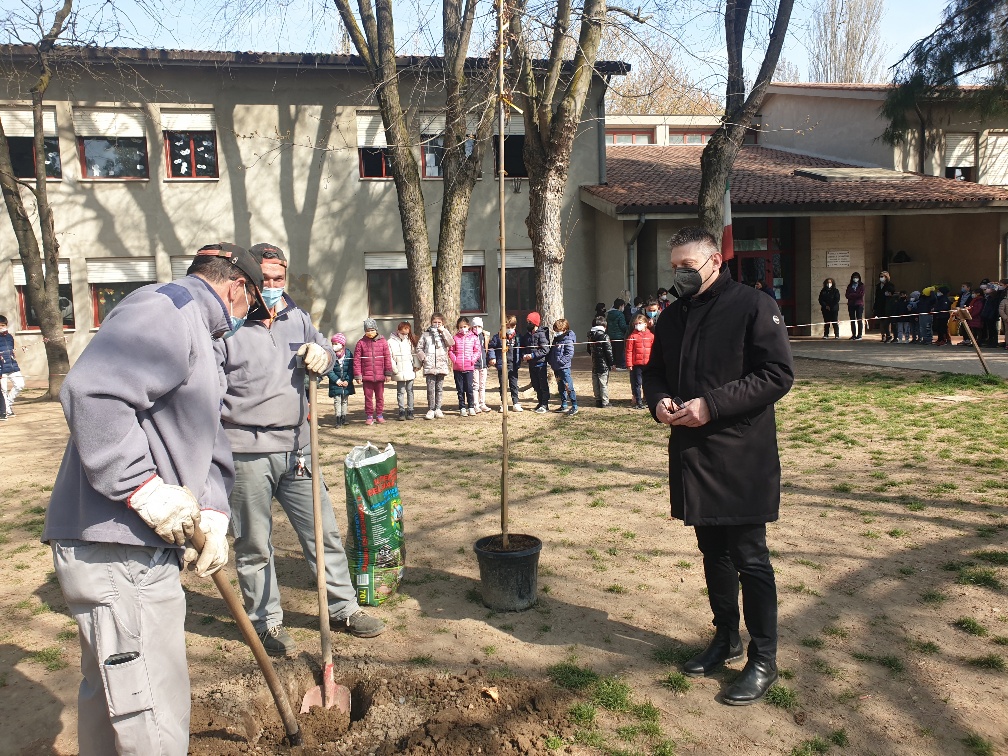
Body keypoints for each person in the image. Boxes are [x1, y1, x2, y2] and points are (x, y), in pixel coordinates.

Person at [43, 242, 268, 754]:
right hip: (118, 547)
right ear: (238, 287)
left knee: (114, 702)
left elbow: (203, 435)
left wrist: (213, 509)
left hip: (130, 549)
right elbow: (94, 392)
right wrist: (141, 487)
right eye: (252, 304)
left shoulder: (204, 337)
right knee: (150, 710)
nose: (248, 317)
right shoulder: (167, 309)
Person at [643, 227, 794, 706]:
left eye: (687, 267)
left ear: (714, 262)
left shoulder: (753, 305)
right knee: (713, 550)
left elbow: (777, 374)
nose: (679, 275)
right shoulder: (672, 316)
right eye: (674, 268)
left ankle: (764, 658)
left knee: (750, 557)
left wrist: (712, 404)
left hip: (741, 454)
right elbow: (654, 372)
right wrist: (659, 401)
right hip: (692, 454)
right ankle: (726, 637)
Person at [217, 244, 385, 659]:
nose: (272, 286)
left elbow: (326, 349)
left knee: (323, 533)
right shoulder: (227, 326)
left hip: (299, 449)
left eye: (279, 278)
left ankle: (344, 609)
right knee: (254, 544)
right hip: (246, 451)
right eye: (265, 280)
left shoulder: (298, 317)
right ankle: (265, 622)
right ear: (248, 281)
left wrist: (323, 355)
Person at [354, 318, 394, 425]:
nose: (370, 332)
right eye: (368, 330)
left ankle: (379, 415)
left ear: (376, 329)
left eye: (372, 330)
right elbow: (357, 360)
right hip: (367, 376)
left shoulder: (383, 342)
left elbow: (387, 358)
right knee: (368, 398)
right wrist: (358, 375)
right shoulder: (361, 343)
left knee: (380, 397)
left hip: (380, 376)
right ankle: (369, 416)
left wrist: (388, 373)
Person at [416, 313, 453, 420]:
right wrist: (424, 358)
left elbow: (451, 343)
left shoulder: (444, 333)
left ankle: (438, 408)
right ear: (431, 322)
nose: (437, 324)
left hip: (441, 365)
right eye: (434, 322)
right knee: (430, 389)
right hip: (430, 365)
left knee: (439, 388)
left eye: (439, 322)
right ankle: (431, 409)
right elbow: (419, 348)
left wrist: (443, 331)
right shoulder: (426, 334)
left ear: (442, 323)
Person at [489, 316, 522, 411]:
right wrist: (492, 357)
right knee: (503, 385)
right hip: (502, 364)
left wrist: (522, 357)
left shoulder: (517, 337)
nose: (510, 329)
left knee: (514, 384)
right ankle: (504, 404)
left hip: (513, 364)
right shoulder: (497, 337)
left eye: (512, 327)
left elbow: (521, 348)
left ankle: (516, 403)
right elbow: (491, 347)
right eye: (507, 327)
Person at [449, 316, 480, 416]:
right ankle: (462, 407)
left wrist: (472, 360)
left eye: (464, 326)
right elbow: (451, 351)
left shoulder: (474, 338)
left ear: (468, 326)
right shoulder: (455, 338)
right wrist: (455, 360)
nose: (463, 329)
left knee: (469, 389)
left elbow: (477, 350)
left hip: (469, 367)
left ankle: (471, 406)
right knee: (460, 389)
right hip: (457, 368)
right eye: (460, 327)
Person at [520, 311, 551, 413]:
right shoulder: (527, 335)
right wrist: (524, 355)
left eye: (530, 322)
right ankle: (540, 402)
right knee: (535, 384)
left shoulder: (542, 334)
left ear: (535, 323)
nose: (528, 324)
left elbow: (545, 349)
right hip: (531, 364)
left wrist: (533, 355)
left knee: (543, 385)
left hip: (540, 363)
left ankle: (545, 404)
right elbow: (524, 347)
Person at [388, 320, 418, 420]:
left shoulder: (410, 341)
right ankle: (401, 411)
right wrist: (395, 369)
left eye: (406, 333)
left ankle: (410, 410)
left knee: (410, 391)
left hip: (409, 369)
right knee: (400, 391)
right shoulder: (390, 342)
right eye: (403, 333)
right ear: (398, 330)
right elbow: (390, 357)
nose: (404, 335)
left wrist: (416, 365)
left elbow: (414, 354)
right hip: (398, 370)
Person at [548, 318, 577, 415]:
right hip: (556, 368)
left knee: (568, 386)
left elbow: (569, 353)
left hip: (564, 368)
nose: (556, 333)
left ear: (564, 330)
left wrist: (561, 362)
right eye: (555, 330)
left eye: (558, 330)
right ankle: (564, 404)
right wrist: (551, 361)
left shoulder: (568, 339)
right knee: (560, 386)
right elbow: (552, 351)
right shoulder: (556, 339)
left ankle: (574, 405)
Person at [625, 312, 654, 410]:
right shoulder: (632, 336)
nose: (638, 325)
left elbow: (654, 350)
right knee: (638, 383)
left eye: (640, 323)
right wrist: (629, 364)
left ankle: (648, 400)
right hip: (637, 364)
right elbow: (628, 351)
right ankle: (638, 401)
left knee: (648, 383)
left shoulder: (651, 336)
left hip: (648, 364)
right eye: (636, 324)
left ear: (645, 324)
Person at [326, 333, 355, 426]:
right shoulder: (330, 355)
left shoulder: (348, 354)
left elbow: (351, 369)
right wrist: (336, 380)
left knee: (345, 400)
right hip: (335, 383)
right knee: (337, 400)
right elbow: (329, 370)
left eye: (336, 343)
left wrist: (347, 380)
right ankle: (338, 419)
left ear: (342, 344)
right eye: (332, 343)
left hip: (346, 383)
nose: (334, 346)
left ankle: (344, 417)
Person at [0, 314, 24, 417]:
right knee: (3, 390)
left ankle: (8, 404)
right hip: (1, 368)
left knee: (20, 385)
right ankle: (6, 410)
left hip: (12, 365)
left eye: (3, 325)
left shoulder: (9, 337)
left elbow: (12, 350)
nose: (1, 327)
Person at [587, 315, 614, 407]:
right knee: (603, 383)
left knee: (595, 382)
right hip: (603, 364)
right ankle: (605, 402)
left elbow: (588, 349)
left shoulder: (590, 336)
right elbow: (609, 351)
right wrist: (611, 363)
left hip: (595, 363)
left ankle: (598, 400)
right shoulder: (605, 336)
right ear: (604, 326)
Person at [472, 316, 492, 412]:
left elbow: (488, 348)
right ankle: (475, 404)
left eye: (479, 326)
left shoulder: (484, 336)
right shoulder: (470, 336)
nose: (477, 328)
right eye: (475, 326)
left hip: (483, 364)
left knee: (482, 385)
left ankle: (482, 403)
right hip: (474, 365)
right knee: (475, 385)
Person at [607, 299, 629, 369]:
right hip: (619, 336)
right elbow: (622, 326)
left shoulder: (609, 314)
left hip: (611, 336)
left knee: (613, 351)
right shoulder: (620, 314)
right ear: (620, 306)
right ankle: (621, 365)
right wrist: (629, 327)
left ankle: (614, 364)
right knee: (620, 351)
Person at [875, 271, 895, 342]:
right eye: (880, 276)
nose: (881, 278)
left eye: (882, 276)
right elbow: (876, 296)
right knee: (881, 321)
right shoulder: (878, 286)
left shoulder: (890, 285)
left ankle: (888, 335)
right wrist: (875, 306)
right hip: (880, 305)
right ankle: (883, 335)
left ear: (886, 277)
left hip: (887, 305)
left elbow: (892, 291)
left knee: (887, 321)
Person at [845, 272, 865, 340]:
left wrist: (852, 294)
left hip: (859, 304)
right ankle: (853, 334)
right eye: (854, 277)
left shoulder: (861, 285)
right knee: (852, 320)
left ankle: (859, 335)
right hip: (851, 304)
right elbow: (847, 295)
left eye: (856, 277)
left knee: (859, 319)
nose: (855, 279)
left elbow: (861, 295)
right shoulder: (850, 286)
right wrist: (855, 294)